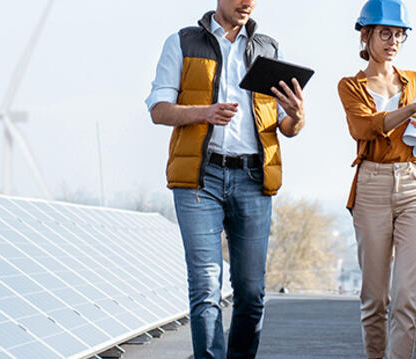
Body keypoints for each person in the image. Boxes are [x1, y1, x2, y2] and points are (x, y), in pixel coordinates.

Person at [145, 0, 305, 358]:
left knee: (251, 292)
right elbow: (158, 109)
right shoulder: (183, 43)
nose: (247, 2)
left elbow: (286, 127)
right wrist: (205, 112)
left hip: (252, 178)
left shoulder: (268, 49)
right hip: (200, 179)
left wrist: (297, 116)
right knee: (205, 286)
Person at [337, 0, 416, 358]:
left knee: (407, 295)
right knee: (375, 298)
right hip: (371, 184)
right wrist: (409, 110)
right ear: (366, 34)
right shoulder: (350, 86)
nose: (393, 41)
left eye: (400, 34)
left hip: (415, 185)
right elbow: (364, 127)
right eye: (385, 32)